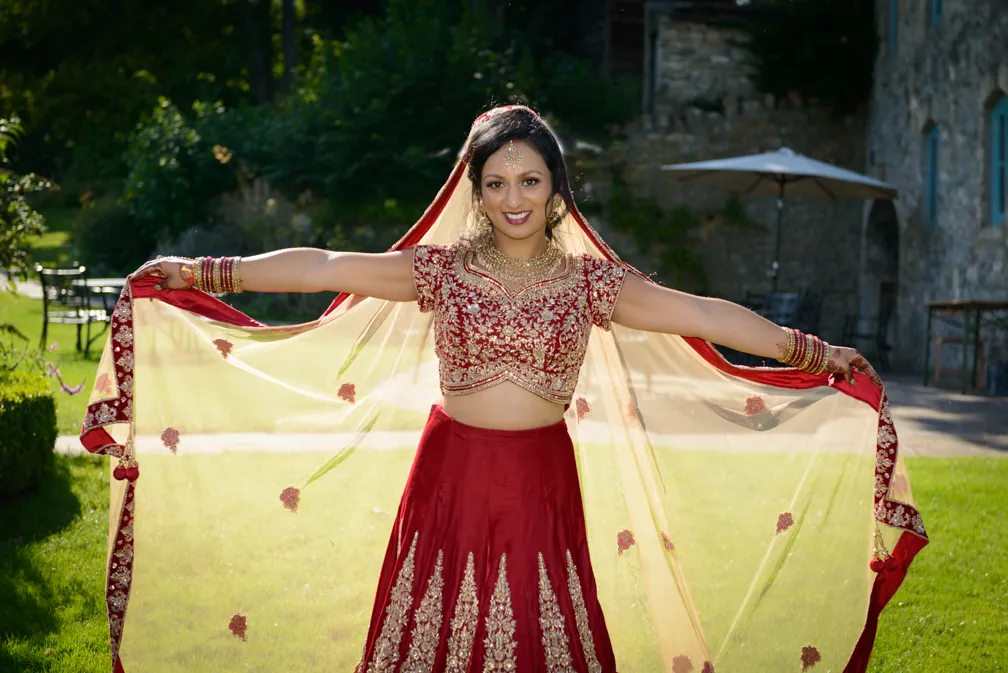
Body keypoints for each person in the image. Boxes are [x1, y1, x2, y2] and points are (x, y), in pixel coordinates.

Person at [85, 105, 926, 673]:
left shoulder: (592, 284)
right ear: (475, 192)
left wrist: (808, 350)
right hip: (449, 474)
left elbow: (698, 311)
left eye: (529, 181)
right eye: (496, 183)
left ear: (556, 188)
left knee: (541, 628)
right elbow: (329, 264)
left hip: (538, 482)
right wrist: (202, 268)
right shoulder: (440, 272)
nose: (513, 198)